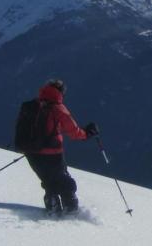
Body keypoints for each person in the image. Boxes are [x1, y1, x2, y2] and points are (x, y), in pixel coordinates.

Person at [24, 79, 98, 214]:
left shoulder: (32, 106)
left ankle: (53, 208)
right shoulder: (58, 108)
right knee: (65, 182)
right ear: (60, 92)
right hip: (53, 154)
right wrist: (87, 133)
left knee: (48, 181)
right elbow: (74, 132)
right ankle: (71, 214)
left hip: (32, 153)